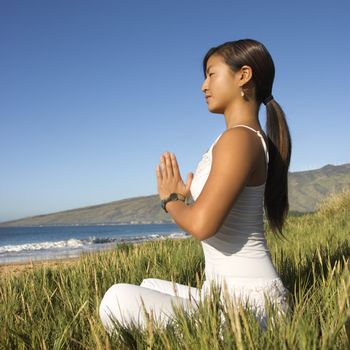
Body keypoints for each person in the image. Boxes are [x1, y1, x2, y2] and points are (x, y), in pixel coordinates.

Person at [99, 38, 291, 333]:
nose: (203, 85)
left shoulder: (238, 139)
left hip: (250, 307)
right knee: (147, 285)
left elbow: (202, 225)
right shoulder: (241, 138)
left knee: (115, 299)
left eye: (212, 74)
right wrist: (187, 201)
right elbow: (214, 218)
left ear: (243, 75)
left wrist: (172, 200)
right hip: (230, 297)